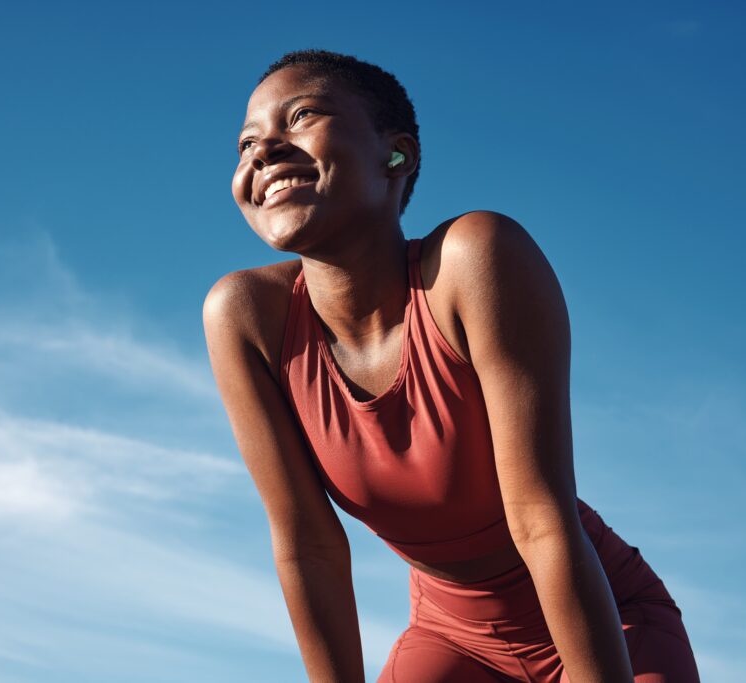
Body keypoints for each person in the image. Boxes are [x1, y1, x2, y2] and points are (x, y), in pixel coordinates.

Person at [202, 49, 700, 683]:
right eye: (246, 143)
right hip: (451, 639)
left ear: (397, 155)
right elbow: (308, 546)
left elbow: (540, 519)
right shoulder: (244, 316)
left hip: (607, 623)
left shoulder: (474, 260)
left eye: (301, 116)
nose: (262, 152)